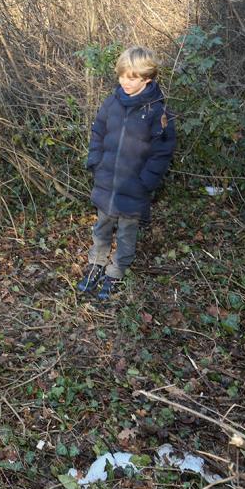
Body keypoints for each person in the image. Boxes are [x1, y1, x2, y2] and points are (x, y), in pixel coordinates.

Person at [78, 46, 176, 301]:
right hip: (106, 181)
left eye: (132, 78)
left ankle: (116, 270)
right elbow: (98, 130)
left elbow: (162, 152)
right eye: (122, 76)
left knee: (126, 232)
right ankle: (96, 264)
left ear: (147, 79)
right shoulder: (113, 101)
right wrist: (96, 162)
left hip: (134, 187)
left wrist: (145, 182)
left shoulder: (157, 111)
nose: (125, 82)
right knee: (102, 226)